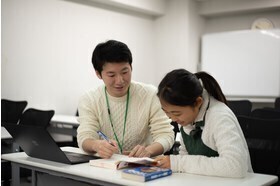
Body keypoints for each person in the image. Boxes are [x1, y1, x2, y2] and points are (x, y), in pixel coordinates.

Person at [77, 40, 174, 159]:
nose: (120, 80)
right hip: (106, 165)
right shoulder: (89, 99)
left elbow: (166, 134)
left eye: (125, 72)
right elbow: (84, 136)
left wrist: (148, 151)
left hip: (143, 166)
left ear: (131, 67)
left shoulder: (150, 94)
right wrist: (96, 145)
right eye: (111, 75)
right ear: (98, 74)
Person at [154, 69, 253, 178]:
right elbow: (185, 156)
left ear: (198, 102)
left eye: (176, 113)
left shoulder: (220, 117)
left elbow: (235, 166)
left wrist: (178, 163)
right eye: (167, 113)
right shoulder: (185, 118)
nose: (172, 118)